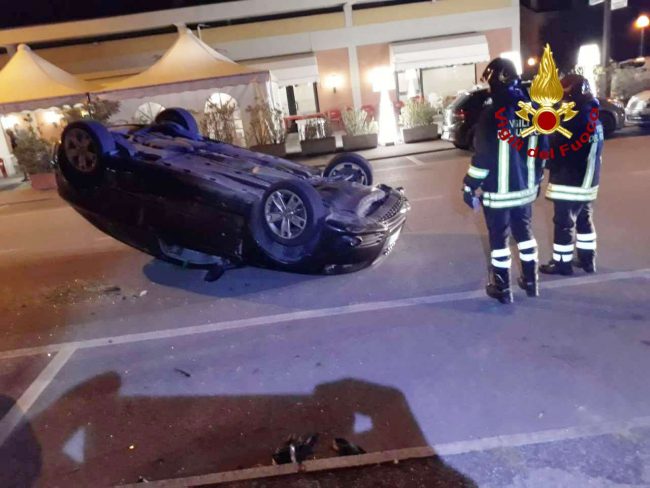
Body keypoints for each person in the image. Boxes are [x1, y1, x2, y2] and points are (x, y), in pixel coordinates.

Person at [462, 58, 547, 304]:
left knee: (499, 241)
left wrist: (469, 186)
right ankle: (531, 282)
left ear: (495, 81)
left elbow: (482, 159)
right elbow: (543, 153)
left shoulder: (491, 115)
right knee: (525, 235)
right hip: (525, 192)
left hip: (498, 195)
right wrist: (536, 181)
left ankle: (502, 289)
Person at [540, 74, 603, 275]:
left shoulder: (573, 118)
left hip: (569, 181)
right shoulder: (592, 115)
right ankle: (587, 260)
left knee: (564, 224)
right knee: (584, 220)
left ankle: (562, 264)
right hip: (588, 181)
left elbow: (559, 149)